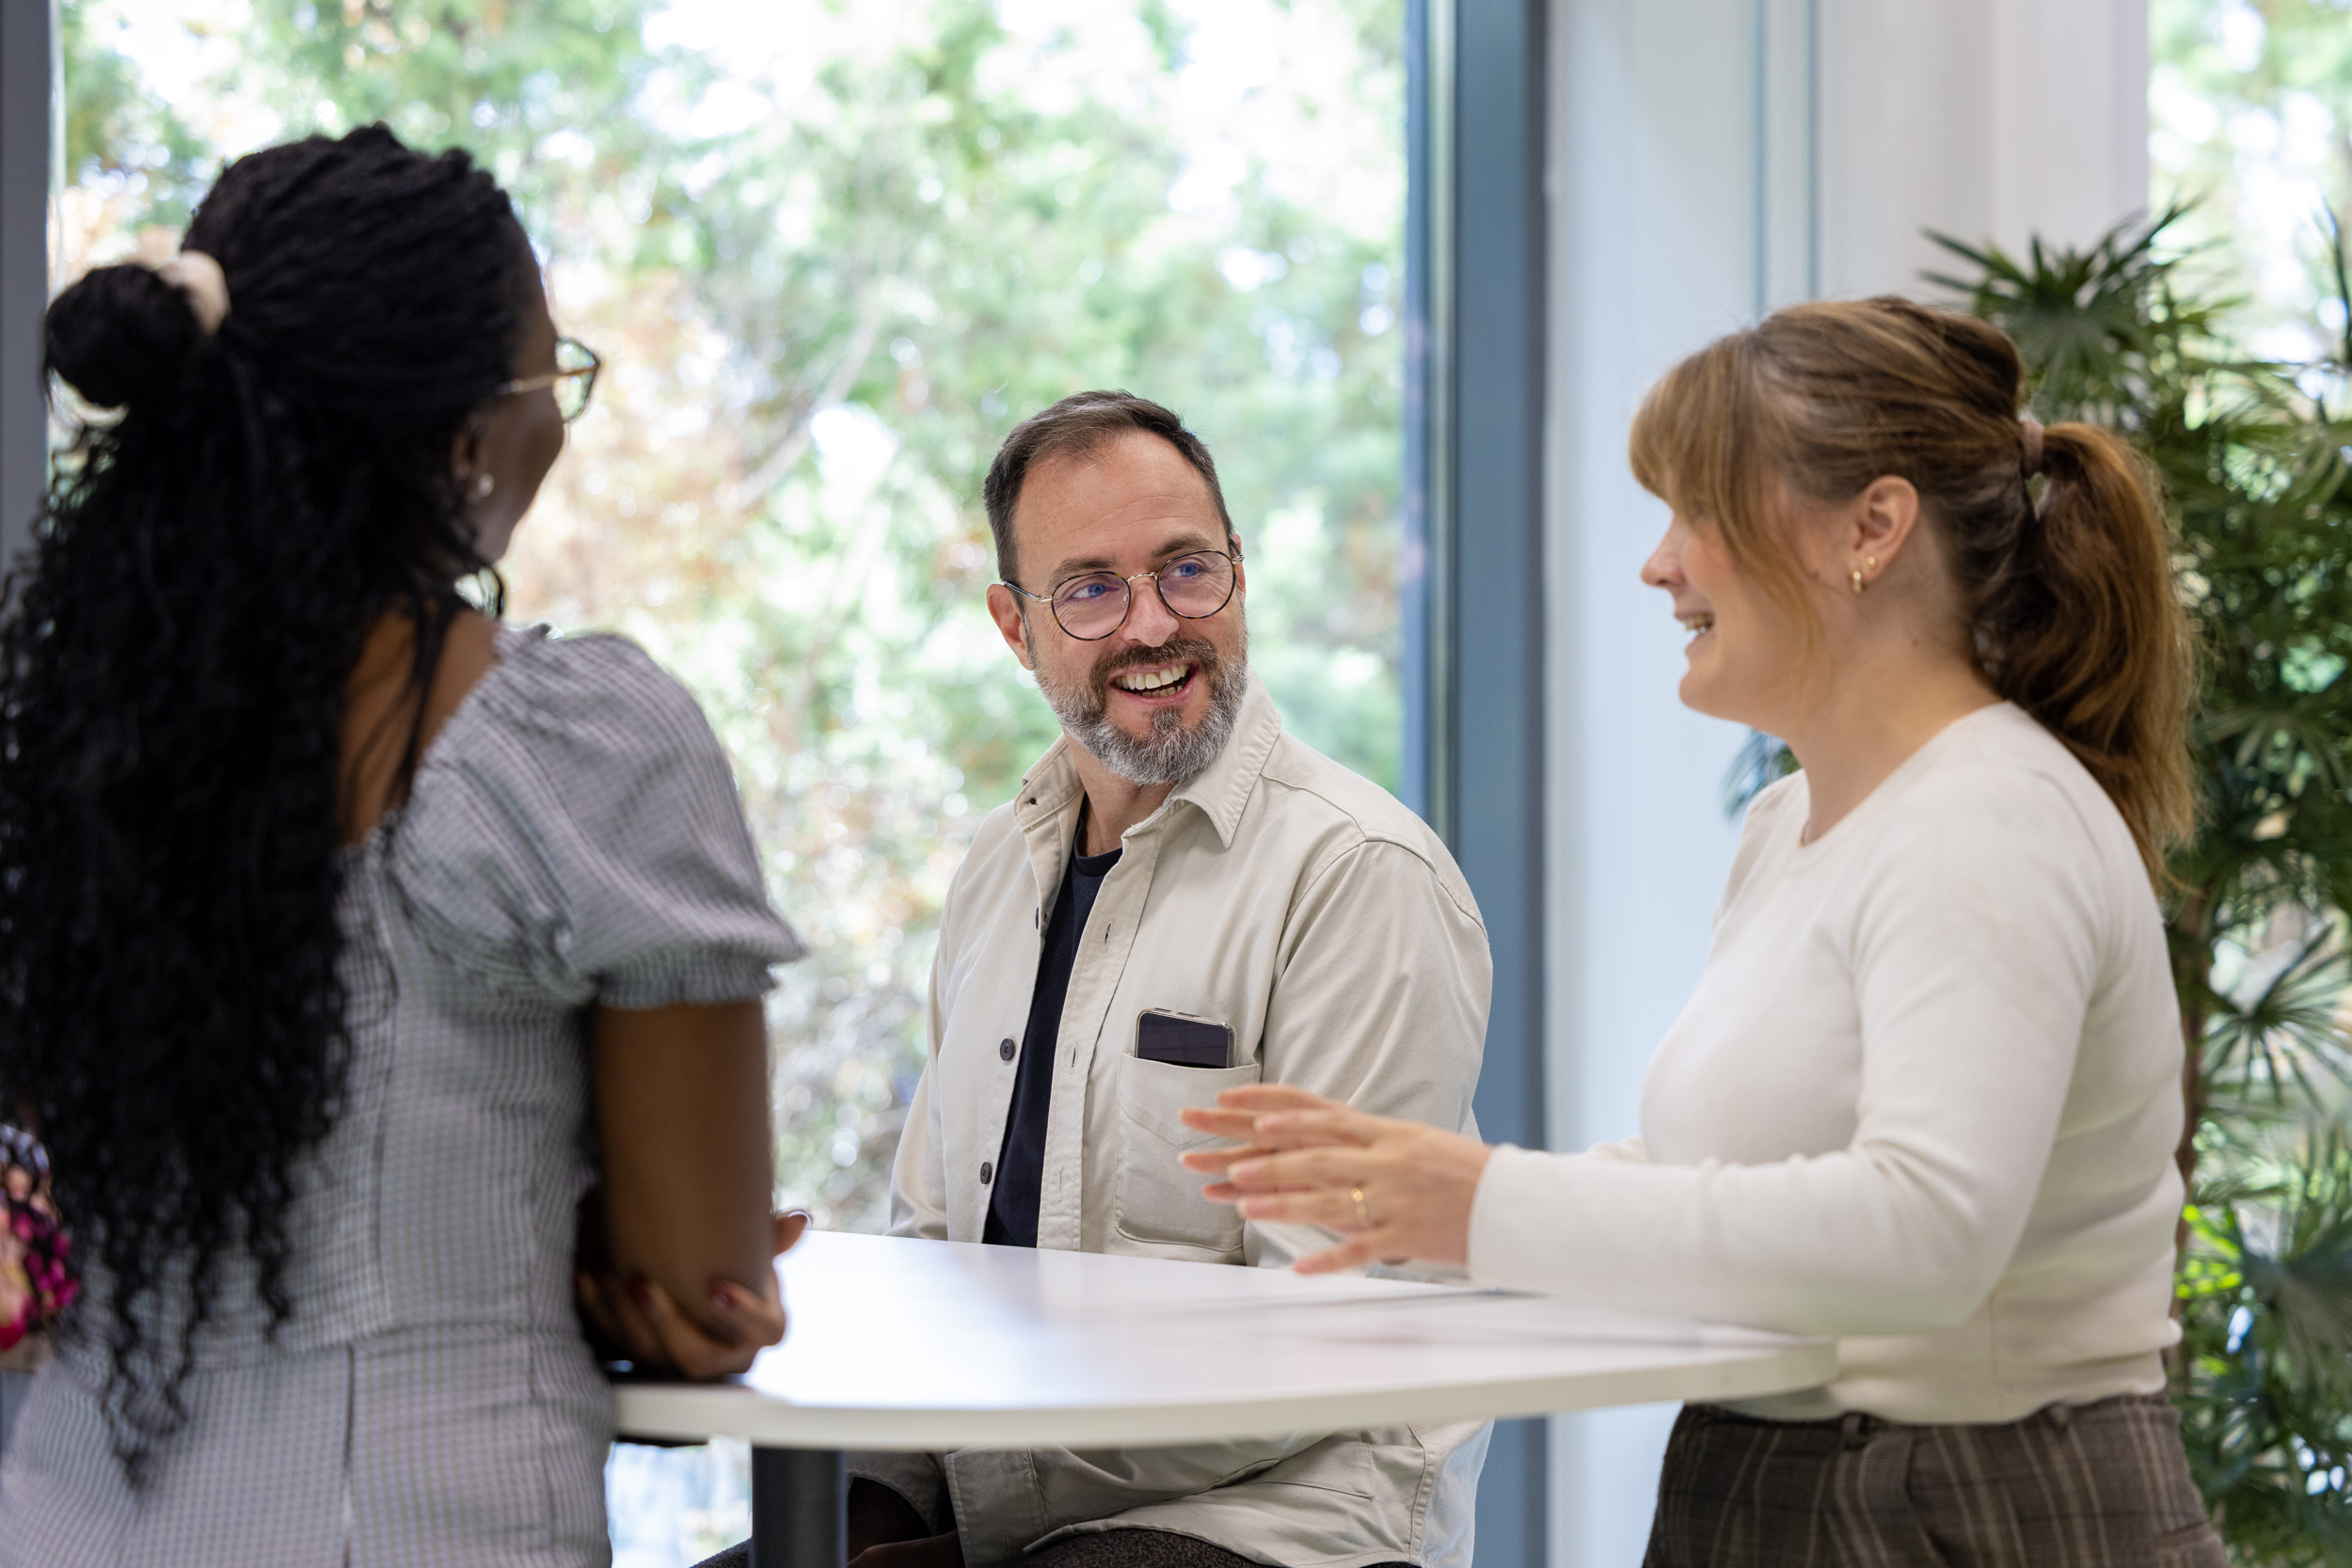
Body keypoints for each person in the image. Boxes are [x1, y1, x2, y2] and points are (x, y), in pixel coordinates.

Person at [1186, 298, 2229, 1564]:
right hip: (1775, 1480)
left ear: (1872, 529)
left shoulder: (1991, 816)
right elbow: (1713, 1172)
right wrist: (1422, 1205)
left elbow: (1926, 1232)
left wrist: (1484, 1203)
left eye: (1698, 512)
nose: (1659, 561)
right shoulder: (1792, 819)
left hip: (1975, 1503)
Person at [0, 126, 803, 1567]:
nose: (560, 423)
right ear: (463, 437)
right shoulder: (580, 748)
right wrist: (575, 1258)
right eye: (553, 378)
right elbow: (704, 1280)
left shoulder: (63, 753)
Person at [840, 392, 1492, 1568]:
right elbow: (932, 1244)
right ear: (1013, 624)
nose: (1153, 625)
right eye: (1090, 588)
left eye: (1186, 570)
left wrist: (989, 1485)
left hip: (1279, 1512)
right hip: (1019, 1479)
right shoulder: (999, 866)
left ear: (1238, 573)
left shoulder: (1356, 874)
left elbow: (1325, 1339)